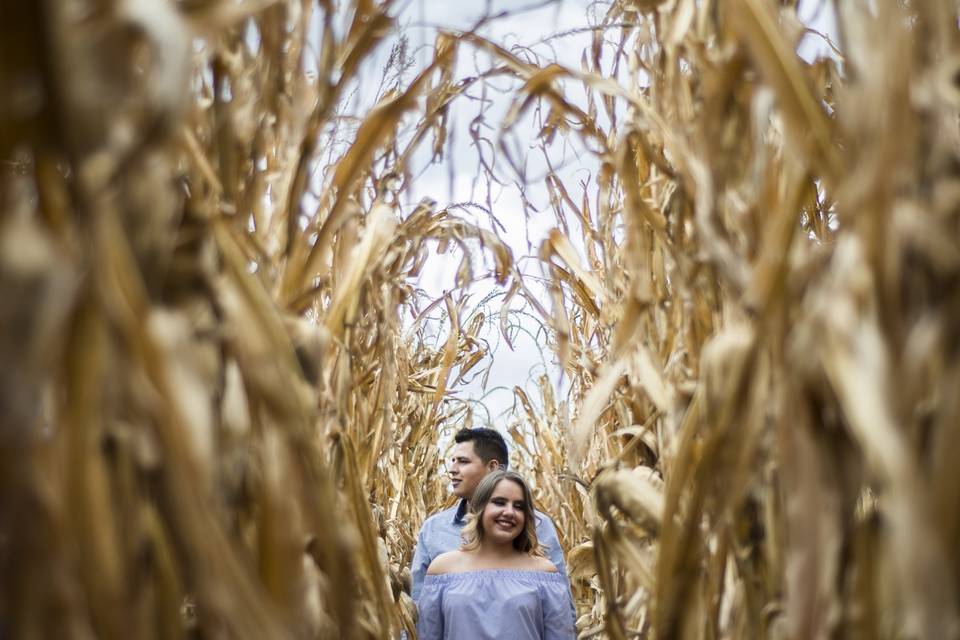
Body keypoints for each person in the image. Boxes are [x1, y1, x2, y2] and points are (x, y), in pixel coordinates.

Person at [409, 428, 568, 602]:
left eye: (463, 461)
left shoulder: (537, 524)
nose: (452, 470)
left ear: (493, 467)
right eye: (452, 461)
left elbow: (559, 603)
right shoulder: (434, 528)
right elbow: (418, 605)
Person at [415, 470, 576, 640]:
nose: (509, 512)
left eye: (519, 506)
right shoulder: (442, 569)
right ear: (479, 507)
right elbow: (428, 635)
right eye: (499, 503)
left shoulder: (544, 572)